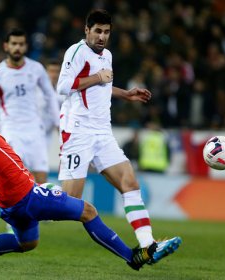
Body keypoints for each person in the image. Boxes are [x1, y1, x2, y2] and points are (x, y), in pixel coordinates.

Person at [0, 77, 181, 270]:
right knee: (88, 211)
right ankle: (134, 257)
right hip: (25, 195)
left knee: (27, 243)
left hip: (9, 200)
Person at [57, 9, 177, 251]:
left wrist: (126, 94)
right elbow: (63, 86)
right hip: (78, 131)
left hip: (102, 132)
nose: (102, 37)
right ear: (87, 30)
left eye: (106, 32)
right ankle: (32, 194)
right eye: (98, 31)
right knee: (69, 204)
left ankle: (148, 245)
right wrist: (98, 77)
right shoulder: (77, 52)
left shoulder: (107, 55)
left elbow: (102, 87)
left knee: (130, 183)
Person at [0, 28, 60, 184]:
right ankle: (6, 207)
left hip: (35, 130)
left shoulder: (36, 69)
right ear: (6, 46)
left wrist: (59, 123)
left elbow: (50, 95)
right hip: (11, 131)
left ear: (26, 47)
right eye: (14, 44)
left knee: (41, 180)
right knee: (16, 178)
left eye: (21, 44)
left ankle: (39, 209)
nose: (17, 47)